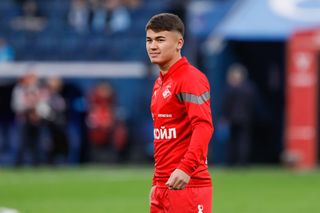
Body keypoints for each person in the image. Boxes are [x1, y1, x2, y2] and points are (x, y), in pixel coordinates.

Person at [145, 13, 214, 213]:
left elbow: (203, 126)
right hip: (162, 186)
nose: (152, 46)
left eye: (160, 39)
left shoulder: (191, 78)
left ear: (179, 43)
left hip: (188, 185)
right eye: (149, 40)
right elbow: (163, 138)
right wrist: (156, 181)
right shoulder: (159, 83)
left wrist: (185, 168)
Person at [221, 63, 257, 166]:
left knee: (234, 141)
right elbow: (253, 104)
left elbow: (226, 104)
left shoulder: (230, 89)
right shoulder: (249, 88)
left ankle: (232, 162)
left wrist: (224, 116)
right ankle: (243, 162)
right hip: (246, 118)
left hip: (233, 118)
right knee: (244, 141)